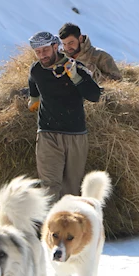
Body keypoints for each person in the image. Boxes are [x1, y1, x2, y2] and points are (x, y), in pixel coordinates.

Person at [27, 31, 101, 200]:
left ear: (55, 47)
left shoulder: (76, 67)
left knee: (71, 188)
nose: (42, 55)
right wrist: (34, 97)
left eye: (45, 50)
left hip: (75, 135)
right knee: (49, 185)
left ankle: (67, 224)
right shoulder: (37, 69)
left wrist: (75, 77)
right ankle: (49, 225)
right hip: (47, 134)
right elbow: (33, 80)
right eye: (37, 52)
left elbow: (95, 96)